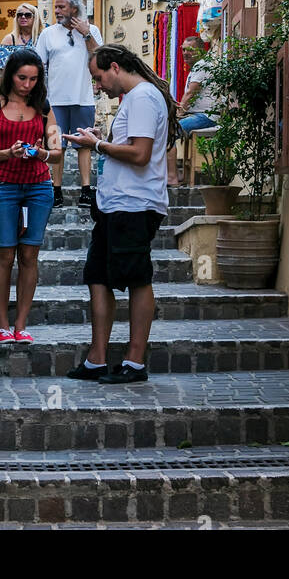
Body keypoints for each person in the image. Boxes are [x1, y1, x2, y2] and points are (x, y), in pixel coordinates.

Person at [66, 44, 179, 383]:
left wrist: (97, 146)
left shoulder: (142, 97)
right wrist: (102, 139)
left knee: (136, 279)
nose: (98, 86)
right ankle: (96, 359)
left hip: (135, 204)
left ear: (114, 67)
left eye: (98, 78)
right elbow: (130, 145)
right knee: (97, 276)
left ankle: (134, 362)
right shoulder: (135, 98)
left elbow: (140, 154)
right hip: (115, 204)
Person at [0, 47, 61, 345]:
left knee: (30, 255)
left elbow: (56, 152)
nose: (27, 85)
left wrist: (41, 153)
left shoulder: (44, 107)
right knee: (5, 254)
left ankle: (21, 324)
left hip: (38, 187)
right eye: (21, 78)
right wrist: (7, 153)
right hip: (1, 185)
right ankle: (2, 325)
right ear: (9, 76)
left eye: (33, 79)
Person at [35, 0, 103, 209]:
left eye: (61, 6)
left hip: (83, 99)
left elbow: (100, 57)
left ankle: (85, 190)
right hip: (55, 101)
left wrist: (86, 34)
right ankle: (56, 190)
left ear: (74, 7)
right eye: (56, 7)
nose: (57, 11)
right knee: (57, 145)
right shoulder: (48, 34)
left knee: (84, 145)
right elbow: (38, 64)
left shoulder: (91, 30)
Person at [0, 3, 42, 91]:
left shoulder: (42, 38)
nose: (23, 17)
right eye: (19, 15)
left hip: (37, 86)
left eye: (28, 15)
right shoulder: (10, 39)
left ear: (35, 18)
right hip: (14, 87)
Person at [176, 36, 219, 134]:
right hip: (200, 115)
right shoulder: (198, 66)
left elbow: (190, 94)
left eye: (190, 50)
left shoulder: (202, 65)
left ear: (200, 51)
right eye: (184, 50)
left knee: (170, 131)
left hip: (206, 117)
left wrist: (177, 116)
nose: (185, 53)